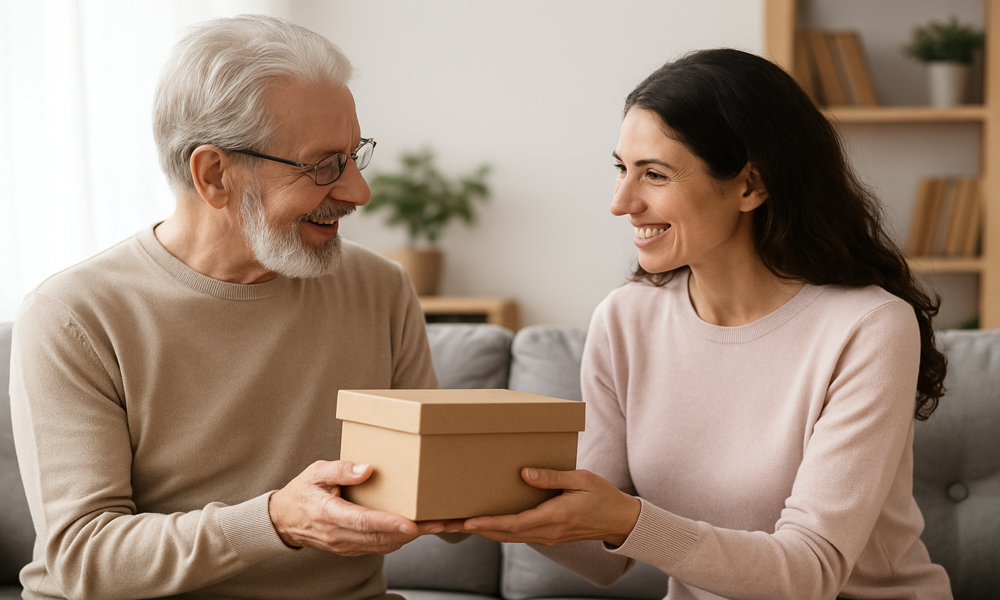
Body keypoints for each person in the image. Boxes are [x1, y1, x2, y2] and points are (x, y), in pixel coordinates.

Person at [450, 49, 953, 599]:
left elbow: (809, 574)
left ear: (750, 187)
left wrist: (625, 520)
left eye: (655, 174)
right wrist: (477, 505)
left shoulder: (869, 327)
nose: (621, 203)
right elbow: (600, 558)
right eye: (622, 168)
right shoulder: (625, 318)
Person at [9, 14, 446, 600]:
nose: (357, 193)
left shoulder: (380, 288)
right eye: (323, 166)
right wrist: (275, 522)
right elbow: (83, 558)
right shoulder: (75, 316)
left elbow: (432, 480)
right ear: (214, 174)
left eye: (353, 155)